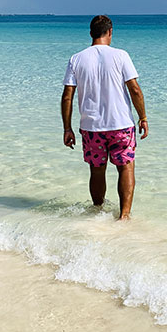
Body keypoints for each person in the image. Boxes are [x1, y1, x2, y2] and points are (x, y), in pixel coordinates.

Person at [61, 15, 148, 220]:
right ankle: (124, 216)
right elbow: (134, 90)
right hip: (121, 125)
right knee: (125, 167)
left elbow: (67, 96)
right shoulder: (121, 55)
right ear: (110, 32)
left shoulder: (76, 58)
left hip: (91, 127)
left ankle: (97, 213)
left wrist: (67, 128)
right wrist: (143, 116)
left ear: (91, 33)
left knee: (97, 170)